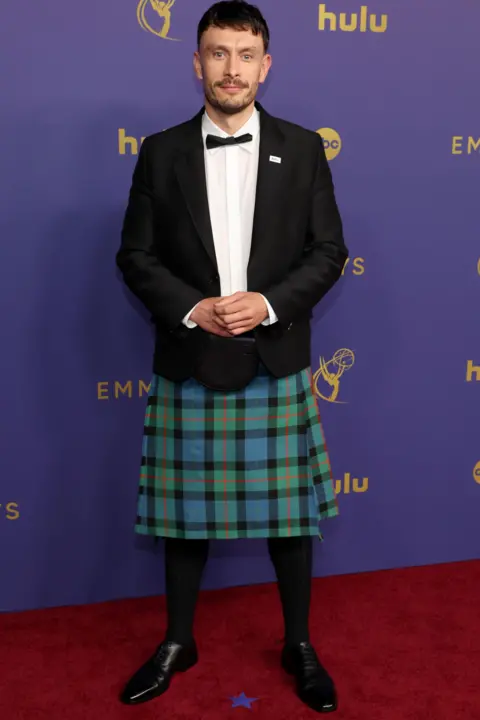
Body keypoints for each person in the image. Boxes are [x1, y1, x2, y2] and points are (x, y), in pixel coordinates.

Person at [116, 0, 348, 713]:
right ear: (197, 62)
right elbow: (135, 255)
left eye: (246, 55)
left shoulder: (305, 147)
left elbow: (329, 252)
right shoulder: (159, 151)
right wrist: (194, 307)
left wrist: (269, 302)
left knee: (289, 518)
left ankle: (298, 643)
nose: (232, 69)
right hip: (192, 354)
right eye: (218, 53)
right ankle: (178, 641)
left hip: (272, 355)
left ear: (266, 65)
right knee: (185, 516)